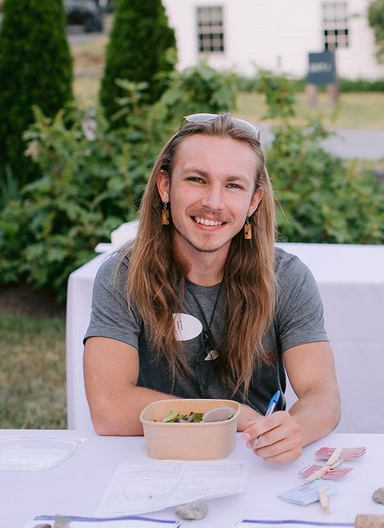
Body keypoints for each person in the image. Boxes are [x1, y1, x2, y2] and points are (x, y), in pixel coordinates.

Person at [84, 113, 341, 463]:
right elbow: (109, 407)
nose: (214, 202)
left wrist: (296, 429)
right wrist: (230, 414)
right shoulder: (122, 276)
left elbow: (322, 396)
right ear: (165, 187)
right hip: (153, 462)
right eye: (197, 179)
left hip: (254, 461)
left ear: (253, 202)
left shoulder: (288, 278)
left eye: (233, 185)